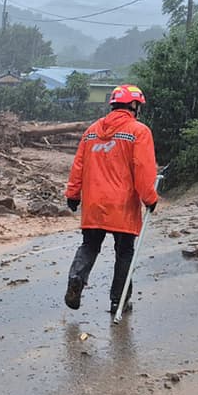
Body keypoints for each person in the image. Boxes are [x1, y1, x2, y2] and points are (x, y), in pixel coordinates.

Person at [63, 84, 159, 314]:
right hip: (122, 205)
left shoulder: (92, 131)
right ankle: (119, 300)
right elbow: (144, 170)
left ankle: (76, 279)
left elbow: (79, 165)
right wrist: (150, 198)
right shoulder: (139, 131)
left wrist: (73, 194)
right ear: (133, 105)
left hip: (94, 203)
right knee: (124, 252)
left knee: (90, 245)